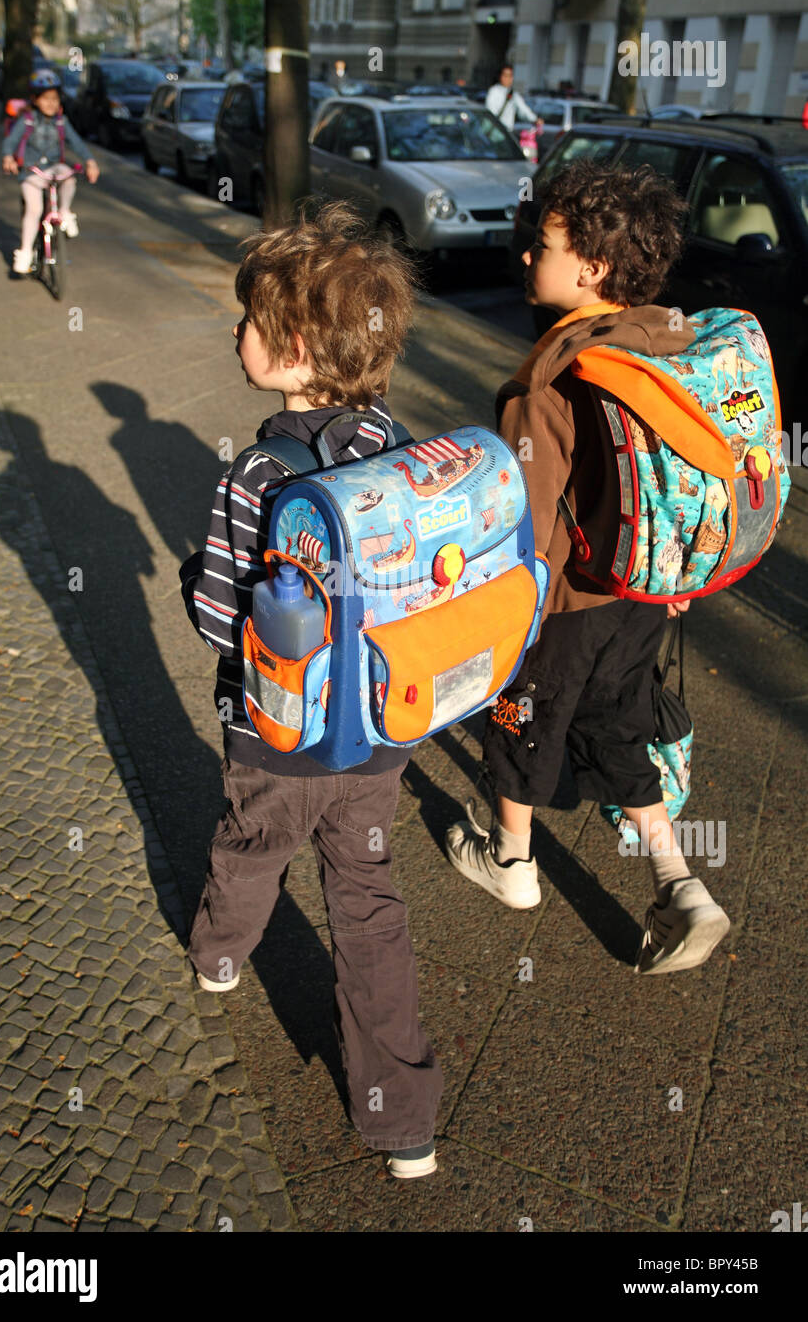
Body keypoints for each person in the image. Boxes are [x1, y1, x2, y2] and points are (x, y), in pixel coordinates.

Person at [179, 201, 444, 1179]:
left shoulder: (257, 471)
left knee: (252, 848)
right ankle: (403, 1119)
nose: (235, 333)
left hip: (277, 737)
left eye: (246, 320)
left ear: (290, 348)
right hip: (377, 731)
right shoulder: (402, 442)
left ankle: (218, 953)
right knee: (369, 899)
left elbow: (218, 616)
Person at [445, 159, 731, 976]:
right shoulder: (665, 342)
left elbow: (528, 522)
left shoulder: (553, 373)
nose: (529, 257)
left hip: (566, 598)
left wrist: (493, 606)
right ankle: (681, 883)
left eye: (544, 245)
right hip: (645, 590)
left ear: (592, 268)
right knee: (615, 722)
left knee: (520, 721)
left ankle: (511, 864)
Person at [1, 68, 100, 276]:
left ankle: (64, 211)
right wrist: (8, 157)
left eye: (55, 99)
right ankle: (26, 252)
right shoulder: (27, 120)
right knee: (34, 210)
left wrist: (90, 161)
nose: (51, 104)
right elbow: (10, 142)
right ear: (35, 100)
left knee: (70, 176)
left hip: (54, 168)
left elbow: (77, 143)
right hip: (31, 171)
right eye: (46, 99)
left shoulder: (62, 121)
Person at [485, 63, 542, 133]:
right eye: (505, 75)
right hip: (494, 130)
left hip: (507, 132)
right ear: (500, 76)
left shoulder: (513, 94)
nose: (507, 79)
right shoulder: (494, 91)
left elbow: (523, 109)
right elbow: (490, 111)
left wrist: (535, 119)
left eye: (510, 76)